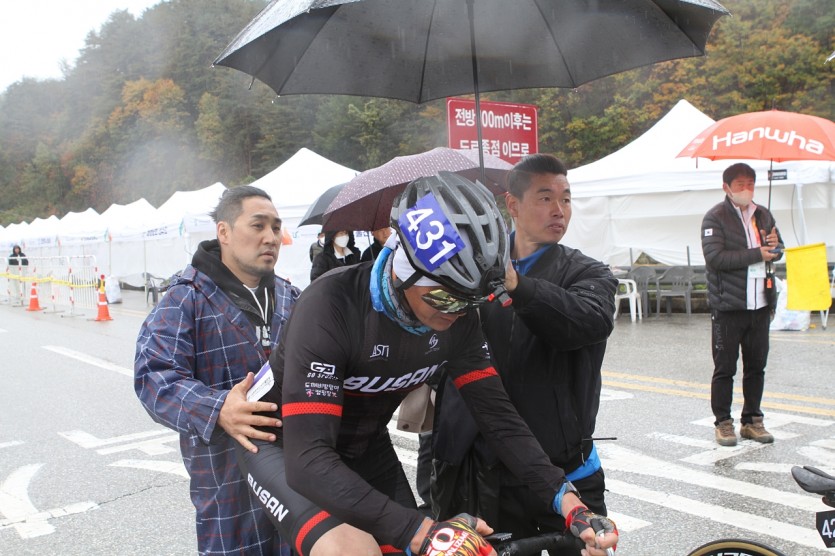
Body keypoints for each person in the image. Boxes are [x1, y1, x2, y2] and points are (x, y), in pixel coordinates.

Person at [237, 172, 618, 556]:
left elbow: (498, 418)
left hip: (366, 447)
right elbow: (308, 461)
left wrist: (568, 501)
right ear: (406, 270)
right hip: (282, 445)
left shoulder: (459, 315)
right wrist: (422, 532)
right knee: (354, 550)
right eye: (447, 299)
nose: (459, 313)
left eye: (471, 301)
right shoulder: (330, 305)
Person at [432, 154, 618, 554]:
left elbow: (588, 321)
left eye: (566, 199)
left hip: (567, 470)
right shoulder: (469, 272)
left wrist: (520, 287)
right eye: (545, 198)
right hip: (483, 473)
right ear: (512, 205)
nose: (559, 210)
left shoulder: (587, 272)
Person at [134, 185, 300, 556]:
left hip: (295, 474)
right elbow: (154, 377)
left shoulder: (290, 296)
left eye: (276, 227)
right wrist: (218, 408)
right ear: (223, 232)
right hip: (226, 480)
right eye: (258, 225)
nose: (271, 237)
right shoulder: (186, 297)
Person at [701, 162, 783, 447]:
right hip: (728, 306)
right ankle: (723, 422)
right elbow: (716, 258)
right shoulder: (715, 217)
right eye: (740, 185)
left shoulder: (763, 214)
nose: (746, 189)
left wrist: (774, 246)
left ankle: (752, 421)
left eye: (750, 184)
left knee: (757, 366)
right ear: (727, 187)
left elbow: (777, 251)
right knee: (725, 368)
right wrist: (758, 253)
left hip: (760, 304)